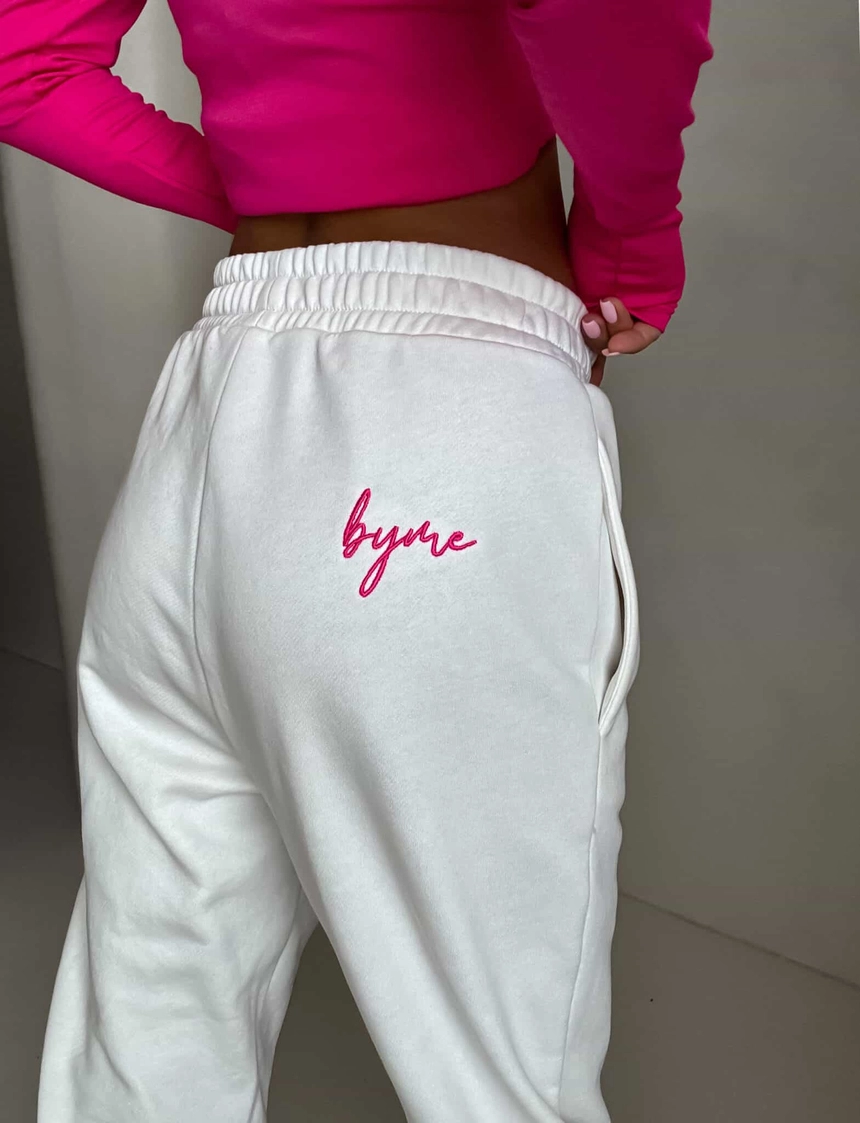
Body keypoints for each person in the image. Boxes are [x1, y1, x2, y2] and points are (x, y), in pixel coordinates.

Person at [0, 2, 712, 1121]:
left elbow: (21, 59)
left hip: (208, 406)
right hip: (440, 390)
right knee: (498, 1079)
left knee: (148, 1036)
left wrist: (271, 181)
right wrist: (629, 240)